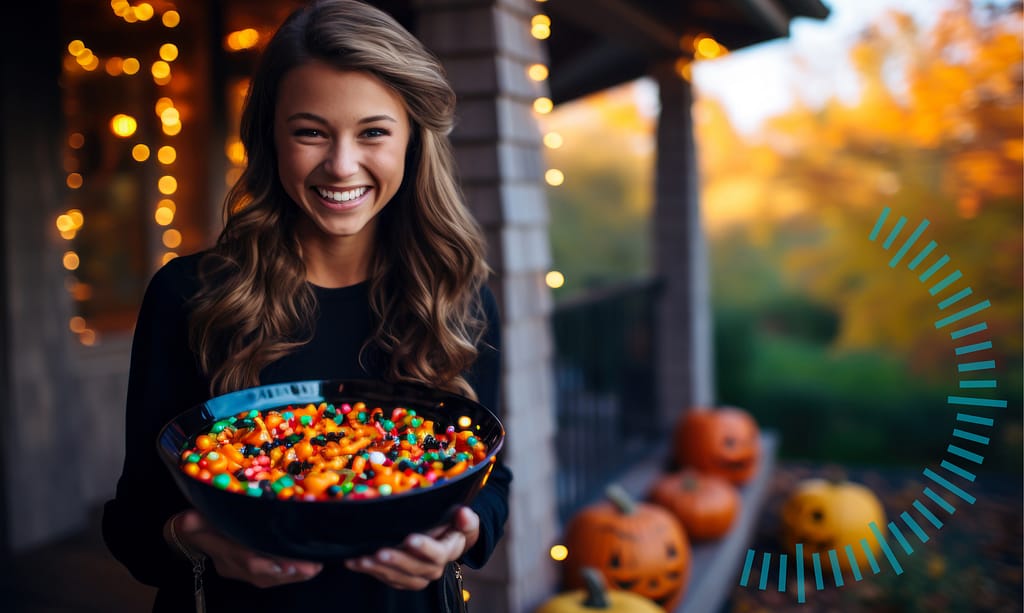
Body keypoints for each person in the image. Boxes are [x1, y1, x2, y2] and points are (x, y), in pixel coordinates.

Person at [101, 1, 511, 611]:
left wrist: (467, 531)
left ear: (412, 141)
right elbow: (133, 523)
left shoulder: (453, 292)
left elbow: (491, 479)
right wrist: (197, 540)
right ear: (271, 136)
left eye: (373, 131)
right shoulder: (189, 296)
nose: (341, 165)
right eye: (311, 131)